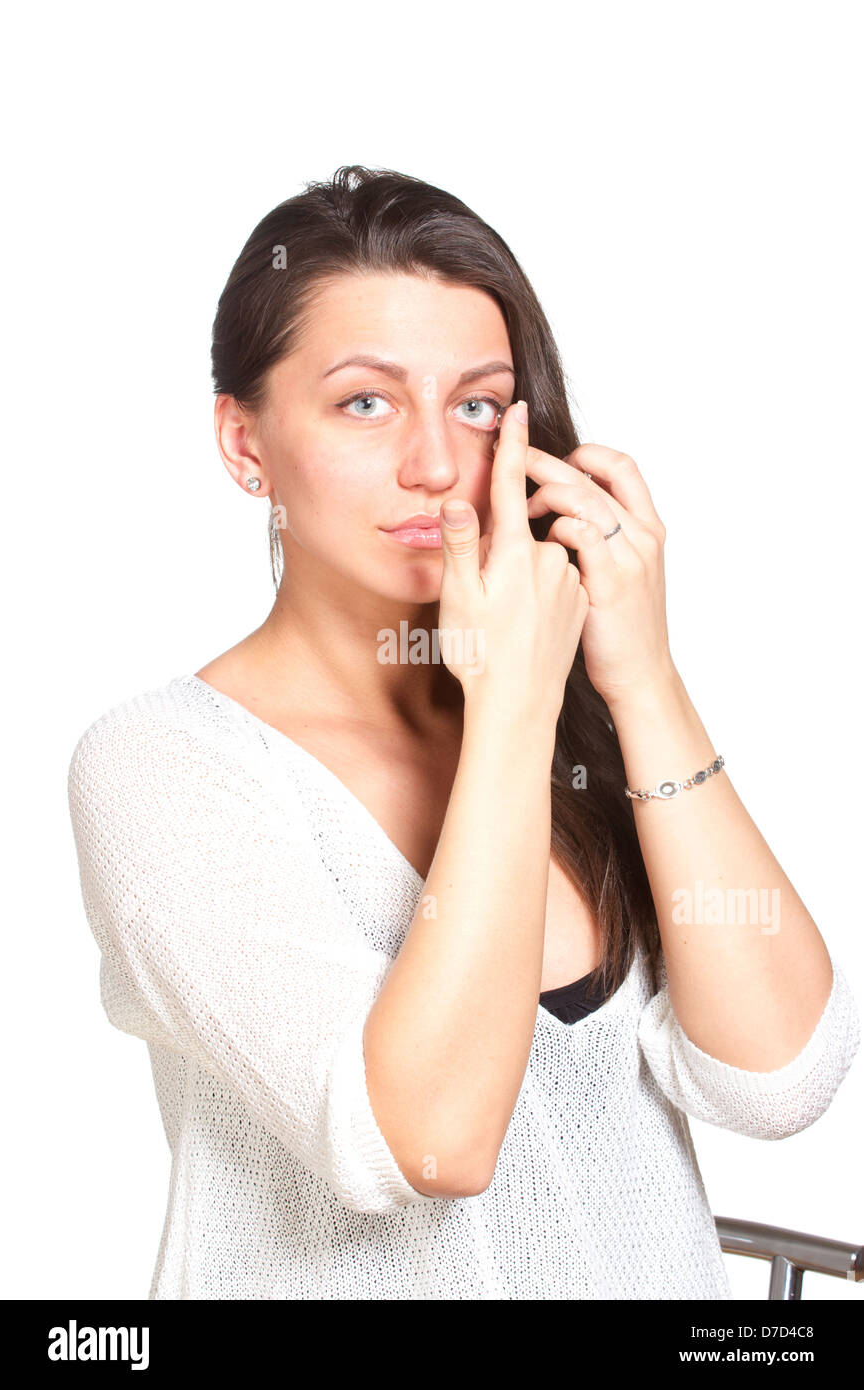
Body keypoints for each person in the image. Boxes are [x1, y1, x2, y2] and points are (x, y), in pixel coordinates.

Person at [67, 164, 860, 1300]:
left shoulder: (565, 714)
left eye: (478, 405)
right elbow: (421, 1140)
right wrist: (507, 709)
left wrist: (639, 678)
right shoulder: (162, 762)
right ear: (245, 447)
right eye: (364, 401)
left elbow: (775, 1080)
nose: (437, 465)